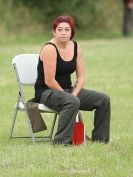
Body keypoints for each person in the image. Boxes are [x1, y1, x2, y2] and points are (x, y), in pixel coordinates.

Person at [34, 15, 111, 145]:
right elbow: (49, 81)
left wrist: (73, 94)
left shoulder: (76, 47)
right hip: (47, 92)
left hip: (69, 91)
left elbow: (81, 77)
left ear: (72, 32)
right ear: (54, 31)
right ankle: (61, 142)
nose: (63, 33)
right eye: (59, 29)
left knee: (103, 100)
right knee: (71, 101)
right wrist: (70, 97)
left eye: (66, 29)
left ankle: (100, 140)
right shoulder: (49, 48)